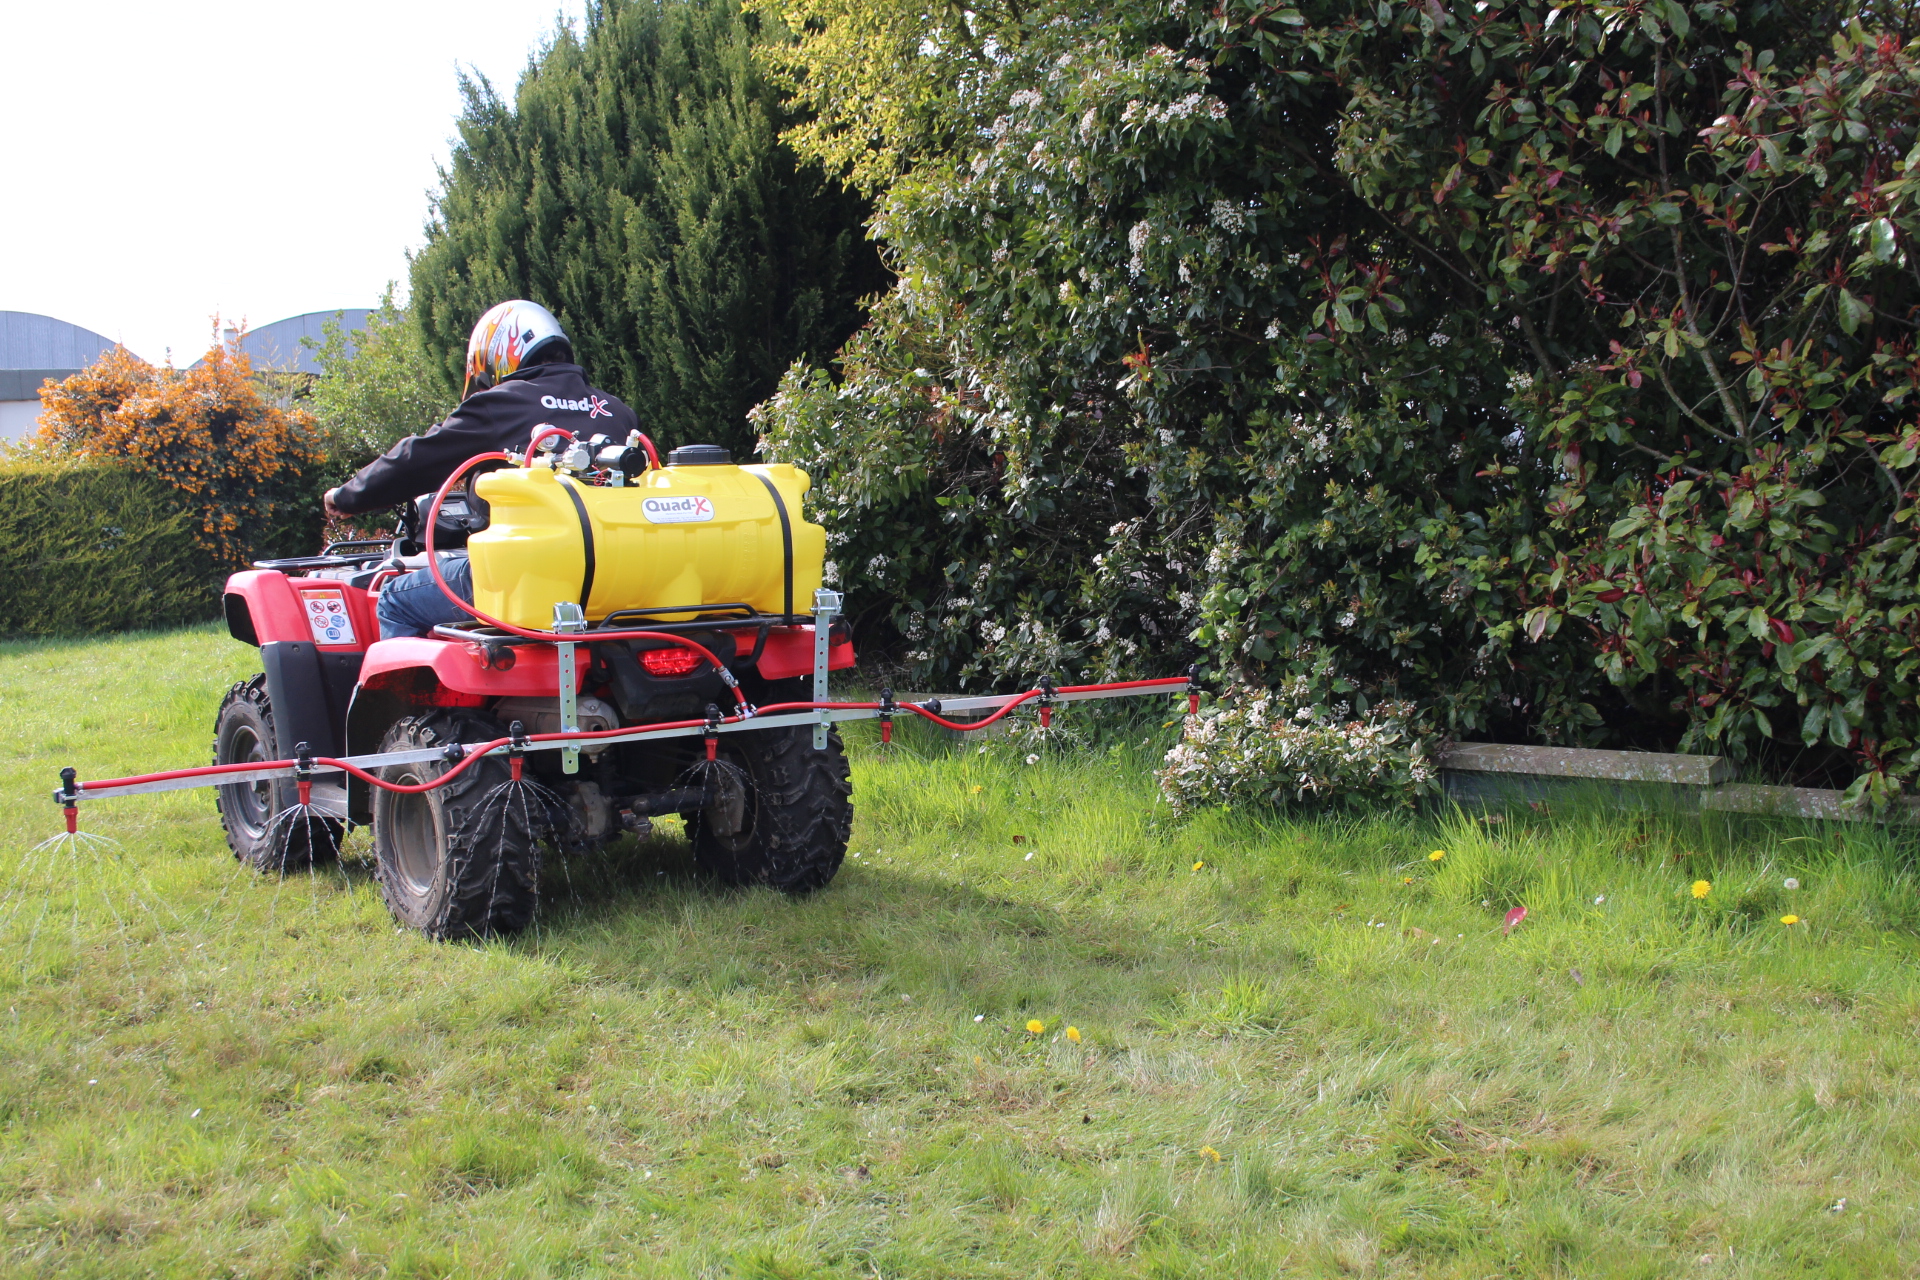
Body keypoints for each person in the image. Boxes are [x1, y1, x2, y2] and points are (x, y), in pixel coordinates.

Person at [325, 300, 639, 639]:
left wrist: (347, 496)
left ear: (498, 354)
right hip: (619, 577)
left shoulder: (501, 404)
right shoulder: (616, 411)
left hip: (524, 576)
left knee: (394, 600)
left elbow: (418, 459)